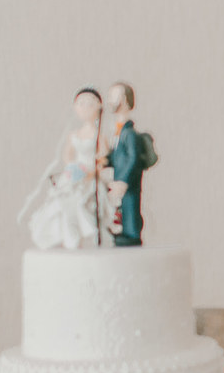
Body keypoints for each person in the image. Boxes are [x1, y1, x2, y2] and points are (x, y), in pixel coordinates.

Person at [22, 87, 109, 249]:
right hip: (74, 174)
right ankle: (70, 238)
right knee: (62, 203)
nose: (84, 108)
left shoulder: (99, 136)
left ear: (98, 107)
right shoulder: (73, 134)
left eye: (89, 104)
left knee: (81, 205)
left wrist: (91, 172)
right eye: (80, 104)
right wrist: (72, 167)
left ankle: (83, 237)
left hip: (89, 177)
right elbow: (68, 154)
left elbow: (103, 159)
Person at [105, 82, 146, 246]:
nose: (110, 101)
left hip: (129, 181)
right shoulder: (118, 131)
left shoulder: (129, 133)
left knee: (131, 206)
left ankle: (132, 234)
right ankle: (126, 231)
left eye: (114, 96)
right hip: (119, 179)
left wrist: (124, 180)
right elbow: (116, 156)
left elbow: (133, 158)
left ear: (124, 100)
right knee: (123, 207)